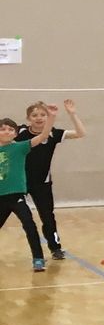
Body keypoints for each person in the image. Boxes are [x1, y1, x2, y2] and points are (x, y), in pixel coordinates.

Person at [21, 99, 83, 261]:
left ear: (48, 117)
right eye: (34, 115)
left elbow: (80, 133)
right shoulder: (21, 132)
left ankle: (55, 248)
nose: (39, 118)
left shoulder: (53, 133)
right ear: (28, 118)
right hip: (20, 182)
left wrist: (72, 114)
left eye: (43, 114)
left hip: (42, 183)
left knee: (48, 217)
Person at [0, 116, 48, 271]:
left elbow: (43, 136)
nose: (6, 131)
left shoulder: (20, 147)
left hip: (16, 197)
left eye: (10, 129)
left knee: (29, 224)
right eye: (2, 129)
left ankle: (38, 258)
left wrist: (52, 117)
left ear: (15, 134)